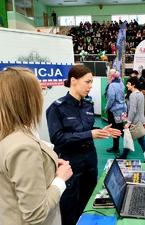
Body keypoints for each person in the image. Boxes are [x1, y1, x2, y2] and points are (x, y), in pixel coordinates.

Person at [0, 67, 73, 225]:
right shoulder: (22, 146)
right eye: (39, 91)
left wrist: (49, 167)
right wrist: (60, 180)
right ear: (28, 99)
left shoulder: (2, 135)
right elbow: (36, 215)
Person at [46, 65, 121, 225]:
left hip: (90, 163)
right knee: (70, 211)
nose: (90, 86)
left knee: (89, 206)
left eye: (91, 82)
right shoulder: (57, 108)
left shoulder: (88, 106)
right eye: (87, 82)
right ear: (73, 81)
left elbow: (85, 130)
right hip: (70, 166)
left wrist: (100, 131)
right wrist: (90, 134)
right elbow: (58, 138)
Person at [118, 77, 145, 159]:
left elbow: (132, 110)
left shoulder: (133, 95)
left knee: (133, 139)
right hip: (140, 120)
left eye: (128, 83)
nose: (127, 85)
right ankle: (124, 155)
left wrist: (128, 122)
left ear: (133, 85)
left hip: (135, 122)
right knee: (131, 139)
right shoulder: (141, 94)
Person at [104, 69, 127, 153]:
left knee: (115, 129)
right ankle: (128, 145)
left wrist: (106, 108)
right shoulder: (121, 83)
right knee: (121, 128)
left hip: (115, 110)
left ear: (110, 75)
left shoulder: (111, 85)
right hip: (123, 109)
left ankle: (116, 147)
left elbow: (111, 99)